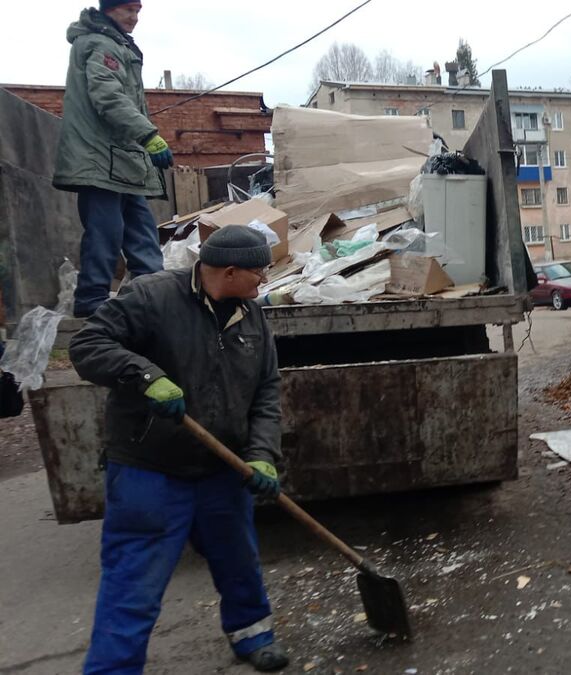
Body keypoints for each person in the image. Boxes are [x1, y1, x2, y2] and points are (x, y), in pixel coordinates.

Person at [70, 226, 288, 673]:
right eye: (259, 273)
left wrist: (263, 452)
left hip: (222, 470)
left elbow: (266, 391)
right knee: (134, 579)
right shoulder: (152, 298)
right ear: (229, 271)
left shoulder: (251, 318)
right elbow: (87, 345)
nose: (263, 282)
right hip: (150, 469)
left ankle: (253, 636)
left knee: (239, 561)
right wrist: (145, 375)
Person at [53, 1, 174, 319]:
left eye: (138, 12)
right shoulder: (99, 43)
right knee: (106, 231)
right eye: (128, 11)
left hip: (121, 161)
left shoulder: (117, 43)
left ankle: (155, 295)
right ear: (109, 10)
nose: (134, 18)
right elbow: (107, 95)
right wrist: (148, 135)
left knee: (143, 230)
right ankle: (91, 300)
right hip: (98, 160)